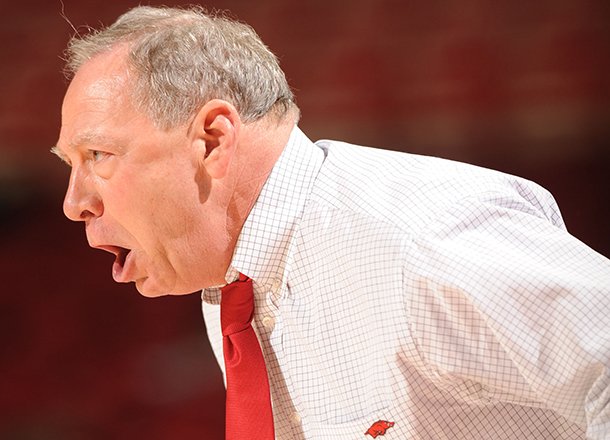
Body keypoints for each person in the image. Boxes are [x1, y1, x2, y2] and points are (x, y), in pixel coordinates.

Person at [52, 5, 610, 440]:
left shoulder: (419, 237)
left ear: (213, 140)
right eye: (70, 166)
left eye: (97, 155)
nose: (74, 203)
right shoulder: (230, 282)